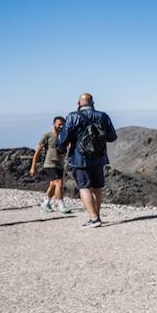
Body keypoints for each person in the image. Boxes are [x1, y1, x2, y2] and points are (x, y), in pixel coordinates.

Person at [57, 93, 116, 227]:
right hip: (99, 158)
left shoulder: (72, 117)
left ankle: (94, 218)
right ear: (93, 102)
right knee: (97, 187)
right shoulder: (103, 116)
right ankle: (97, 216)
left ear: (78, 104)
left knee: (84, 187)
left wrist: (61, 148)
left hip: (79, 158)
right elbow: (112, 137)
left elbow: (63, 140)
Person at [29, 115, 71, 213]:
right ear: (54, 124)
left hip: (60, 164)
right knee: (59, 183)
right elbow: (37, 152)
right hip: (50, 163)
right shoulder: (47, 135)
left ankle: (45, 203)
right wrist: (33, 167)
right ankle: (60, 204)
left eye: (63, 125)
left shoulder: (64, 136)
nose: (61, 126)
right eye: (59, 124)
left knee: (53, 184)